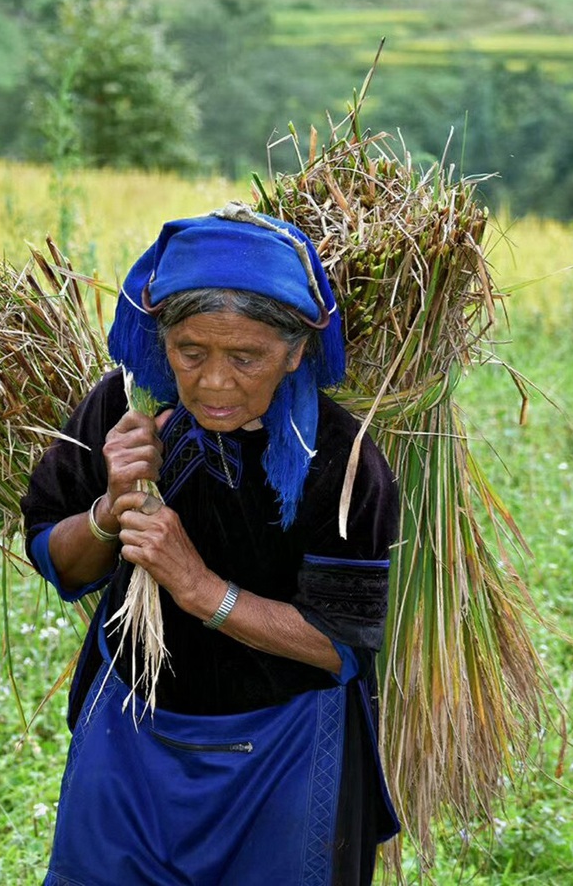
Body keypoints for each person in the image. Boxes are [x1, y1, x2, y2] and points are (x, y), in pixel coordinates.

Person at [21, 203, 400, 885]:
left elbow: (339, 645)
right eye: (190, 353)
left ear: (295, 351)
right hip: (129, 741)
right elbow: (56, 558)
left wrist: (200, 590)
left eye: (246, 357)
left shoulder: (341, 461)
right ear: (160, 338)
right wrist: (109, 510)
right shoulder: (122, 410)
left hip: (284, 755)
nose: (215, 381)